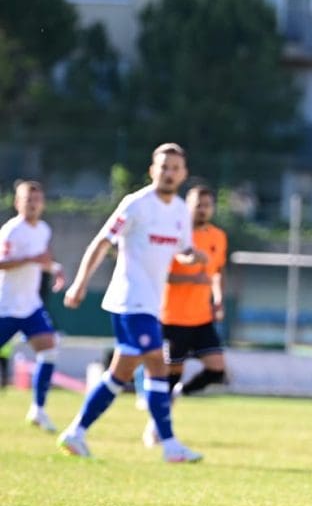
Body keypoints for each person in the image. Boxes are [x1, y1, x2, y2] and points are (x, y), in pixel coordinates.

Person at [60, 144, 207, 463]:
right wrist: (80, 282)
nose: (169, 173)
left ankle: (76, 432)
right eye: (163, 167)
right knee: (157, 363)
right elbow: (102, 241)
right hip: (129, 299)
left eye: (175, 168)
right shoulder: (136, 204)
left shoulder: (181, 210)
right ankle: (169, 445)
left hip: (151, 303)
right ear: (152, 170)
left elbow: (180, 249)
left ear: (183, 174)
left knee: (119, 374)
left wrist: (192, 256)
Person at [143, 185, 229, 448]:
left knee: (217, 370)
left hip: (201, 316)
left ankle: (182, 393)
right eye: (197, 204)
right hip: (173, 317)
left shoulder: (218, 236)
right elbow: (162, 273)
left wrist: (218, 297)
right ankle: (155, 426)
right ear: (187, 206)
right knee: (170, 375)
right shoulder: (176, 233)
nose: (202, 209)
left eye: (207, 204)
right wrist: (190, 276)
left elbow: (216, 272)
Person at [0, 180, 66, 432]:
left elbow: (43, 259)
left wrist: (56, 269)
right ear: (17, 203)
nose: (32, 204)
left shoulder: (43, 230)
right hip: (6, 306)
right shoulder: (11, 231)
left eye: (36, 199)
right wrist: (30, 259)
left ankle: (38, 409)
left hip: (30, 306)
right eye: (27, 199)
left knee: (49, 348)